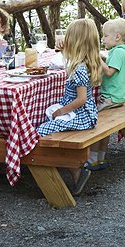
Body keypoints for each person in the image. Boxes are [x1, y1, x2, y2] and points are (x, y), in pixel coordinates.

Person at [35, 18, 101, 195]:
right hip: (83, 114)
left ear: (75, 41)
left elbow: (81, 99)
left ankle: (75, 168)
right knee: (48, 124)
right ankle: (72, 168)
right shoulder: (84, 61)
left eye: (68, 36)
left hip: (81, 115)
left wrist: (61, 111)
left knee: (40, 131)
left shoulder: (79, 68)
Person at [87, 18, 125, 171]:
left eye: (105, 36)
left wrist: (96, 57)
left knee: (96, 126)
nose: (103, 39)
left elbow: (109, 72)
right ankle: (101, 157)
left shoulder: (117, 52)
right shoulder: (123, 50)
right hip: (120, 96)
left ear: (117, 37)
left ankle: (92, 159)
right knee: (105, 129)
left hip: (110, 97)